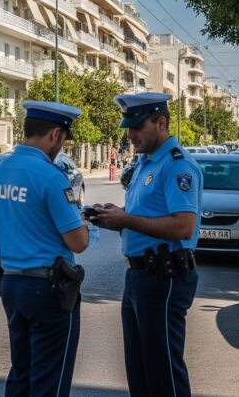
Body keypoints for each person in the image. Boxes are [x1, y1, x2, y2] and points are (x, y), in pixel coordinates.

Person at [93, 93, 201, 397]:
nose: (130, 135)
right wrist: (113, 216)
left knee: (163, 371)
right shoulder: (145, 163)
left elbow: (183, 225)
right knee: (140, 370)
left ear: (161, 122)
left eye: (137, 127)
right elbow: (143, 215)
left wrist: (126, 221)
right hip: (140, 275)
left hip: (164, 276)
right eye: (128, 128)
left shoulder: (176, 165)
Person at [0, 101, 90, 397]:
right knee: (49, 381)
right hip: (47, 290)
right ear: (55, 134)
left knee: (21, 373)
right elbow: (78, 243)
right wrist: (82, 223)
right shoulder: (51, 177)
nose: (62, 145)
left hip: (11, 284)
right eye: (64, 139)